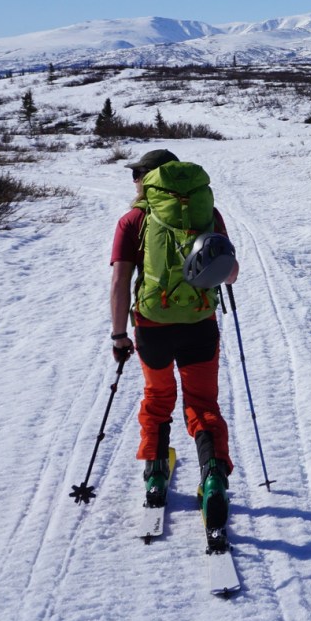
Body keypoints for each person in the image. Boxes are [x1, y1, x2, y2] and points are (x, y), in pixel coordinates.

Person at [109, 148, 239, 532]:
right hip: (200, 322)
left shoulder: (133, 220)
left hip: (152, 327)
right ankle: (213, 477)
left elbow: (119, 282)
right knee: (202, 403)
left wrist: (119, 335)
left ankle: (154, 477)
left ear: (148, 179)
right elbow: (230, 274)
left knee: (158, 399)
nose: (134, 180)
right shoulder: (208, 214)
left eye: (138, 174)